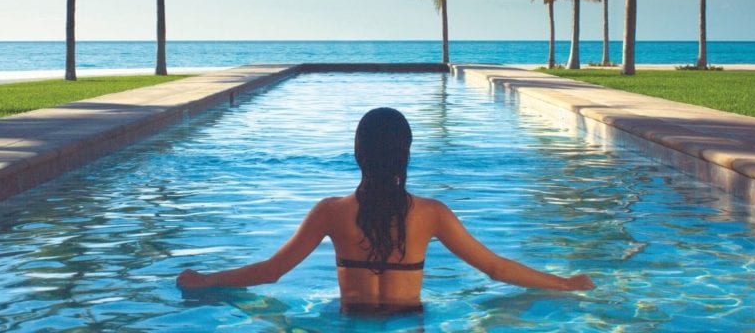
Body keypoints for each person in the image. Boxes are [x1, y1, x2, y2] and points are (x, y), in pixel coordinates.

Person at [176, 107, 594, 313]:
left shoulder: (330, 211)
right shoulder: (431, 213)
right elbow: (496, 270)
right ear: (406, 155)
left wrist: (206, 279)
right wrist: (565, 284)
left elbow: (271, 272)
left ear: (357, 152)